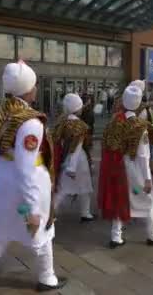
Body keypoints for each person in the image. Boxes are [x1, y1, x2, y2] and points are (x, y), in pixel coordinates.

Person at [0, 61, 67, 295]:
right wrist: (32, 209)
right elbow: (25, 169)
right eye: (35, 84)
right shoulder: (30, 122)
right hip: (24, 185)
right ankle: (47, 277)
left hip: (1, 180)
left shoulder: (0, 110)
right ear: (29, 88)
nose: (36, 88)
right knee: (41, 232)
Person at [98, 85, 153, 248]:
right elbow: (143, 156)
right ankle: (152, 234)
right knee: (148, 199)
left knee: (120, 198)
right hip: (134, 167)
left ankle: (116, 236)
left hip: (117, 166)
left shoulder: (114, 121)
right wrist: (148, 179)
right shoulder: (140, 126)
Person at [53, 93, 94, 222]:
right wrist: (71, 167)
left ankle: (52, 212)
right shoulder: (80, 126)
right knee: (85, 187)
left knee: (62, 189)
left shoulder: (61, 122)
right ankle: (85, 213)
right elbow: (77, 147)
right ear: (77, 108)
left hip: (65, 157)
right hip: (78, 160)